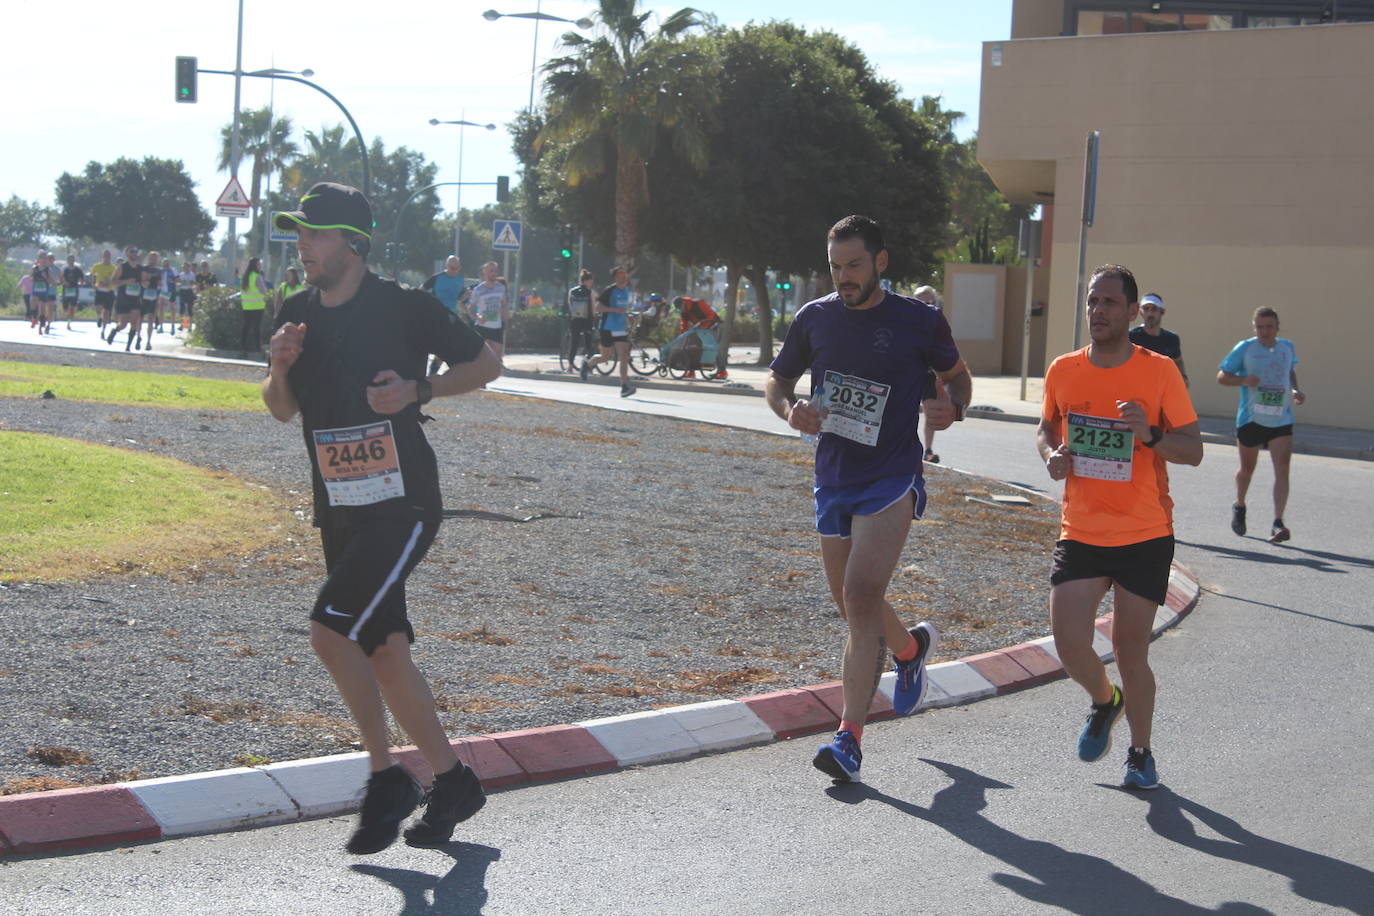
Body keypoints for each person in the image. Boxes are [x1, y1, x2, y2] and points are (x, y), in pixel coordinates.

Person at [265, 182, 500, 855]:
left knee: (328, 632)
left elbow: (487, 363)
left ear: (352, 243)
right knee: (386, 652)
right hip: (338, 509)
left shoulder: (403, 308)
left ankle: (386, 777)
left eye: (314, 234)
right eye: (300, 234)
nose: (302, 245)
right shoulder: (293, 313)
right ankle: (454, 783)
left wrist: (417, 390)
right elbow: (280, 408)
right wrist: (279, 367)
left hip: (403, 504)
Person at [765, 215, 971, 784]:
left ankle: (848, 739)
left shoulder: (919, 320)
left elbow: (959, 377)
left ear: (881, 261)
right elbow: (777, 384)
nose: (844, 277)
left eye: (854, 265)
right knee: (851, 601)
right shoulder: (815, 317)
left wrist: (953, 407)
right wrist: (791, 412)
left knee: (860, 595)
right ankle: (908, 651)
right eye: (835, 267)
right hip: (833, 474)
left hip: (891, 475)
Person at [1037, 264, 1202, 791]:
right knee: (1069, 642)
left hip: (1144, 532)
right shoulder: (1064, 369)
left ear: (1133, 312)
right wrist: (1052, 456)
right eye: (1092, 301)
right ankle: (1105, 701)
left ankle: (1140, 751)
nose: (1098, 311)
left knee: (1132, 650)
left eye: (1110, 302)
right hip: (1081, 529)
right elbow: (1046, 428)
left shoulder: (1159, 372)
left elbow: (1193, 450)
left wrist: (1149, 434)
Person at [1217, 307, 1305, 543]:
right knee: (1247, 470)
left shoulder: (1287, 347)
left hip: (1281, 418)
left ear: (1278, 327)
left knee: (1283, 469)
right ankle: (1240, 505)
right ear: (1254, 327)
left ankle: (1278, 522)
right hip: (1251, 418)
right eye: (1260, 327)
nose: (1265, 331)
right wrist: (1244, 380)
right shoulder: (1245, 348)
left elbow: (1290, 372)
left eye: (1269, 327)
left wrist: (1295, 390)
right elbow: (1222, 376)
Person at [582, 266, 636, 397]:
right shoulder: (609, 290)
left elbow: (624, 308)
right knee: (605, 357)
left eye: (624, 275)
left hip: (621, 328)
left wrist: (628, 317)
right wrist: (615, 310)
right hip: (607, 327)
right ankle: (587, 364)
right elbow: (598, 307)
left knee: (624, 355)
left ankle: (624, 386)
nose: (623, 277)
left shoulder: (627, 290)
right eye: (620, 275)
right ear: (615, 278)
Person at [912, 285, 944, 463]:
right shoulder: (904, 320)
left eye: (929, 302)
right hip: (908, 372)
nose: (924, 305)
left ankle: (928, 450)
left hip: (929, 373)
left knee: (930, 411)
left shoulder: (937, 320)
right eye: (920, 302)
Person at [421, 256, 468, 375]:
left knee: (445, 346)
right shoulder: (437, 278)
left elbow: (460, 298)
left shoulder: (460, 280)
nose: (453, 270)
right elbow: (422, 289)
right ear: (446, 266)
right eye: (451, 267)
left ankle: (432, 372)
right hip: (434, 315)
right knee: (429, 344)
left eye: (456, 268)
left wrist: (465, 296)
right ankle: (422, 371)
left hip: (450, 317)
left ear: (459, 268)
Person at [1129, 293, 1188, 386]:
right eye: (1146, 309)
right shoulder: (1130, 337)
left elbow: (1178, 361)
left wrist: (1183, 377)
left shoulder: (1172, 339)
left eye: (1154, 309)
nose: (1150, 313)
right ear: (1140, 312)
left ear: (1162, 312)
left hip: (1162, 392)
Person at [467, 261, 508, 364]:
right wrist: (478, 317)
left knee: (497, 359)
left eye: (495, 271)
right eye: (491, 271)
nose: (494, 273)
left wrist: (504, 320)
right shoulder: (478, 290)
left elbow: (503, 304)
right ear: (485, 273)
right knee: (480, 358)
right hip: (482, 327)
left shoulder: (501, 288)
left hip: (496, 327)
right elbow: (470, 309)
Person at [106, 247, 145, 351]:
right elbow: (113, 281)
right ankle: (114, 331)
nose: (134, 254)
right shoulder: (122, 267)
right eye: (132, 252)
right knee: (123, 324)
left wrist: (144, 283)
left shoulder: (141, 269)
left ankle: (128, 346)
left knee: (134, 321)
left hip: (136, 298)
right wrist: (126, 281)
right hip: (123, 298)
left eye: (136, 252)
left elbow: (145, 282)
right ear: (127, 254)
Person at [565, 268, 597, 372]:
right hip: (586, 321)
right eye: (590, 281)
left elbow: (570, 306)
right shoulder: (590, 292)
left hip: (575, 320)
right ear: (586, 281)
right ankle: (589, 367)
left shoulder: (572, 291)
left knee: (574, 343)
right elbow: (593, 308)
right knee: (588, 344)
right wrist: (595, 317)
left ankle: (570, 366)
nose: (591, 283)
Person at [239, 257, 268, 359]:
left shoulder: (246, 277)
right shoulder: (257, 276)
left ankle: (243, 348)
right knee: (256, 328)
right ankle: (257, 349)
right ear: (255, 266)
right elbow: (263, 291)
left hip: (246, 306)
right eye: (259, 264)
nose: (260, 266)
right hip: (258, 306)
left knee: (246, 327)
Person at [90, 250, 117, 331]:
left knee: (106, 311)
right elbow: (93, 277)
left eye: (108, 256)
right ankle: (100, 317)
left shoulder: (114, 268)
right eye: (105, 256)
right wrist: (94, 285)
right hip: (99, 290)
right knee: (98, 308)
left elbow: (115, 279)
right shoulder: (96, 266)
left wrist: (108, 281)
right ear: (102, 256)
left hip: (109, 291)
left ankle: (103, 330)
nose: (107, 257)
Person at [61, 254, 84, 331]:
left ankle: (69, 322)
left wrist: (80, 283)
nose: (71, 261)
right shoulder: (65, 269)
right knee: (65, 307)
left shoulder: (78, 269)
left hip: (74, 289)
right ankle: (68, 315)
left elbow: (82, 279)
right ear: (67, 261)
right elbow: (61, 277)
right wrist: (65, 283)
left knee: (72, 306)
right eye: (69, 260)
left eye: (72, 260)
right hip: (66, 289)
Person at [177, 260, 198, 333]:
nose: (185, 268)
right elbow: (179, 282)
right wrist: (181, 283)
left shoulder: (192, 274)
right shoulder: (181, 274)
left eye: (187, 267)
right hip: (182, 291)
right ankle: (183, 324)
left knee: (189, 309)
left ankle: (190, 326)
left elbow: (193, 283)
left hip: (189, 291)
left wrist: (188, 282)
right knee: (182, 309)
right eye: (184, 267)